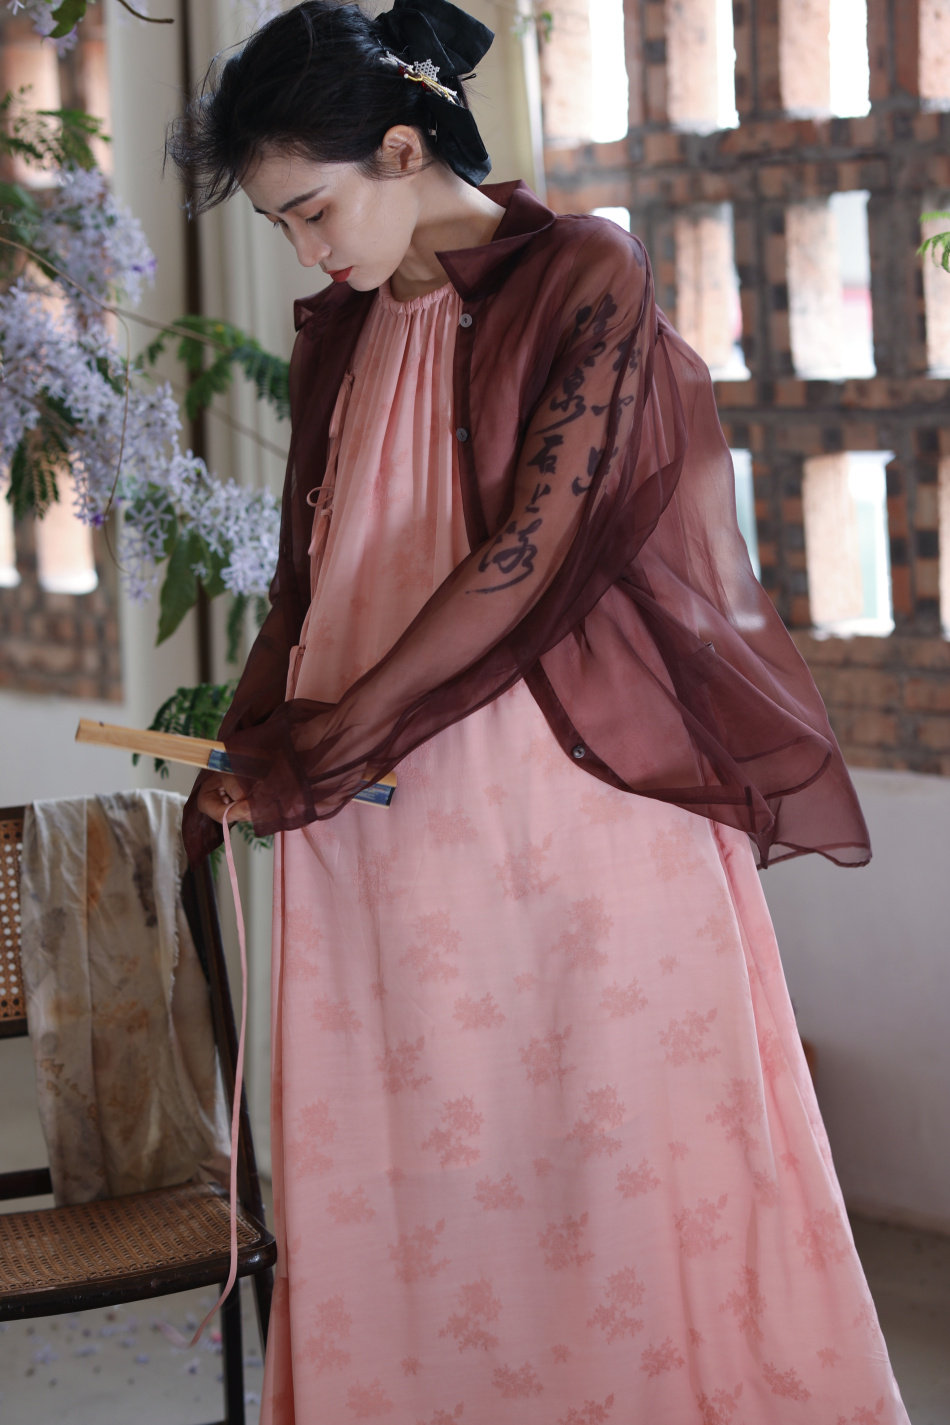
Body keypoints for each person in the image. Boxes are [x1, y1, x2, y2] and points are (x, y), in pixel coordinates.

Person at [170, 3, 910, 1421]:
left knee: (611, 1140)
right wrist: (250, 742)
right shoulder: (343, 326)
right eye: (281, 225)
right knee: (419, 1151)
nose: (307, 251)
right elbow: (305, 579)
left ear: (403, 148)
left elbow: (530, 553)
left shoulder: (583, 269)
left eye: (314, 210)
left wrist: (336, 736)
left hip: (566, 787)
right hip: (377, 812)